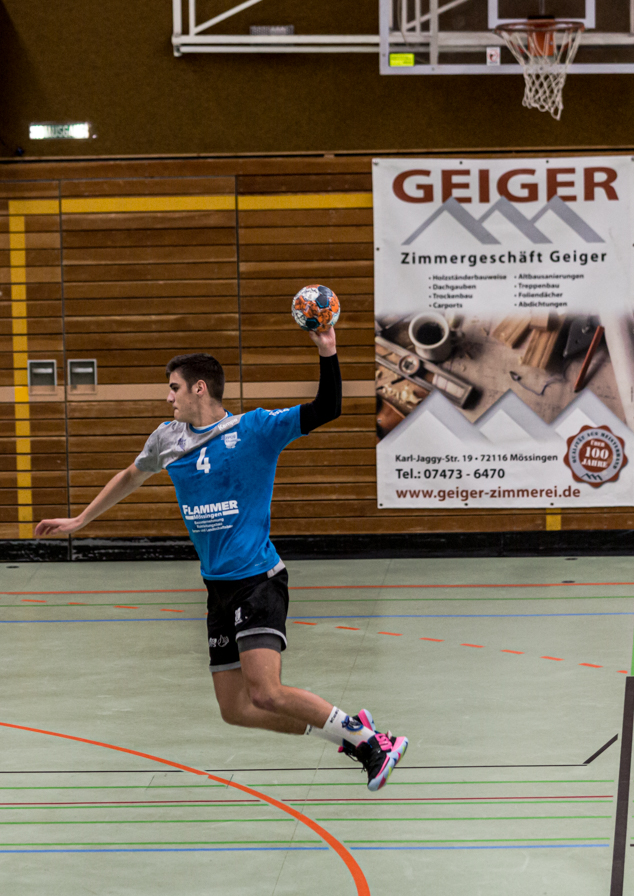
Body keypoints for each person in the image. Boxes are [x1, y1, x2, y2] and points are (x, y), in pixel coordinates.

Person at [34, 320, 409, 791]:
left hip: (258, 580)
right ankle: (349, 731)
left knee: (266, 692)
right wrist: (81, 520)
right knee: (236, 709)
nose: (168, 398)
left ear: (199, 387)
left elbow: (327, 408)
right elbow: (131, 475)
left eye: (173, 388)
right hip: (218, 588)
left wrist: (328, 351)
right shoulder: (167, 439)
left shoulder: (255, 429)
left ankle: (370, 743)